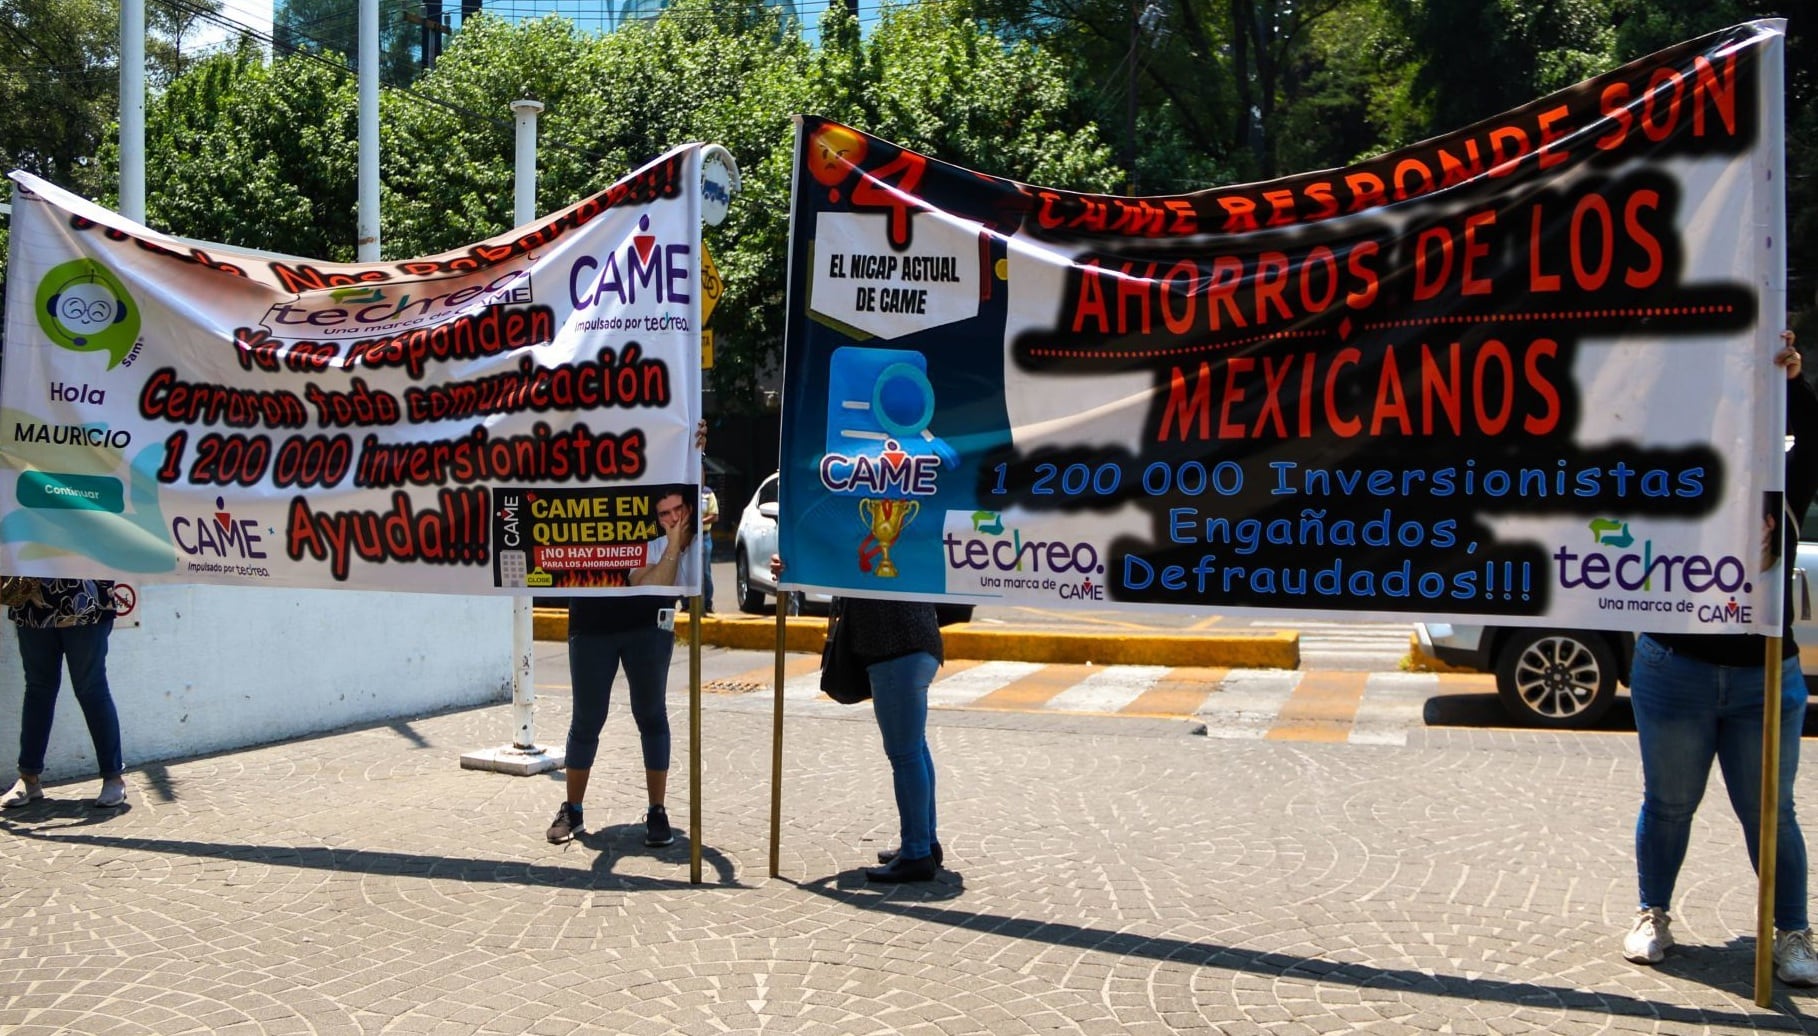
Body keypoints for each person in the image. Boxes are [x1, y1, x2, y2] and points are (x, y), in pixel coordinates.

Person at [1621, 330, 1818, 985]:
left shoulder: (1782, 479)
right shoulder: (1673, 475)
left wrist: (1791, 382)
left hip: (1765, 676)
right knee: (1669, 804)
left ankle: (1792, 933)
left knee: (1772, 815)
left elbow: (1812, 437)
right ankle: (1653, 913)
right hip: (1674, 667)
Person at [546, 477, 702, 849]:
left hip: (648, 622)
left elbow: (656, 580)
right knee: (587, 718)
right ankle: (573, 809)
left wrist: (696, 448)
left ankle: (657, 811)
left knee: (651, 714)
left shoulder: (660, 508)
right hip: (591, 617)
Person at [771, 553, 945, 882]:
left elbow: (839, 563)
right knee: (915, 748)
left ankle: (917, 853)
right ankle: (924, 841)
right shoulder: (901, 535)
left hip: (895, 648)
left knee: (905, 754)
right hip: (918, 643)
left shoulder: (871, 539)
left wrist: (797, 564)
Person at [1, 577, 126, 809]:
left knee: (91, 689)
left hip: (87, 603)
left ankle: (113, 776)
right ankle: (28, 778)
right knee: (38, 690)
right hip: (31, 603)